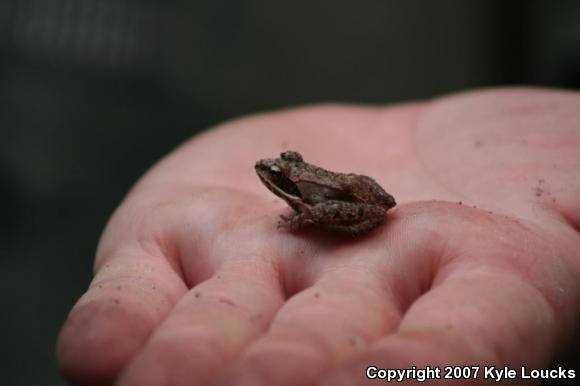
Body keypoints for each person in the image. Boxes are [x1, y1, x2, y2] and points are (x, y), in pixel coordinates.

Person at [56, 88, 580, 385]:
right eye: (280, 171)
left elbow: (316, 206)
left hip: (346, 205)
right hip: (358, 190)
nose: (271, 173)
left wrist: (301, 216)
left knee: (316, 209)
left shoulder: (297, 199)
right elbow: (371, 192)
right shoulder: (298, 175)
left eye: (279, 174)